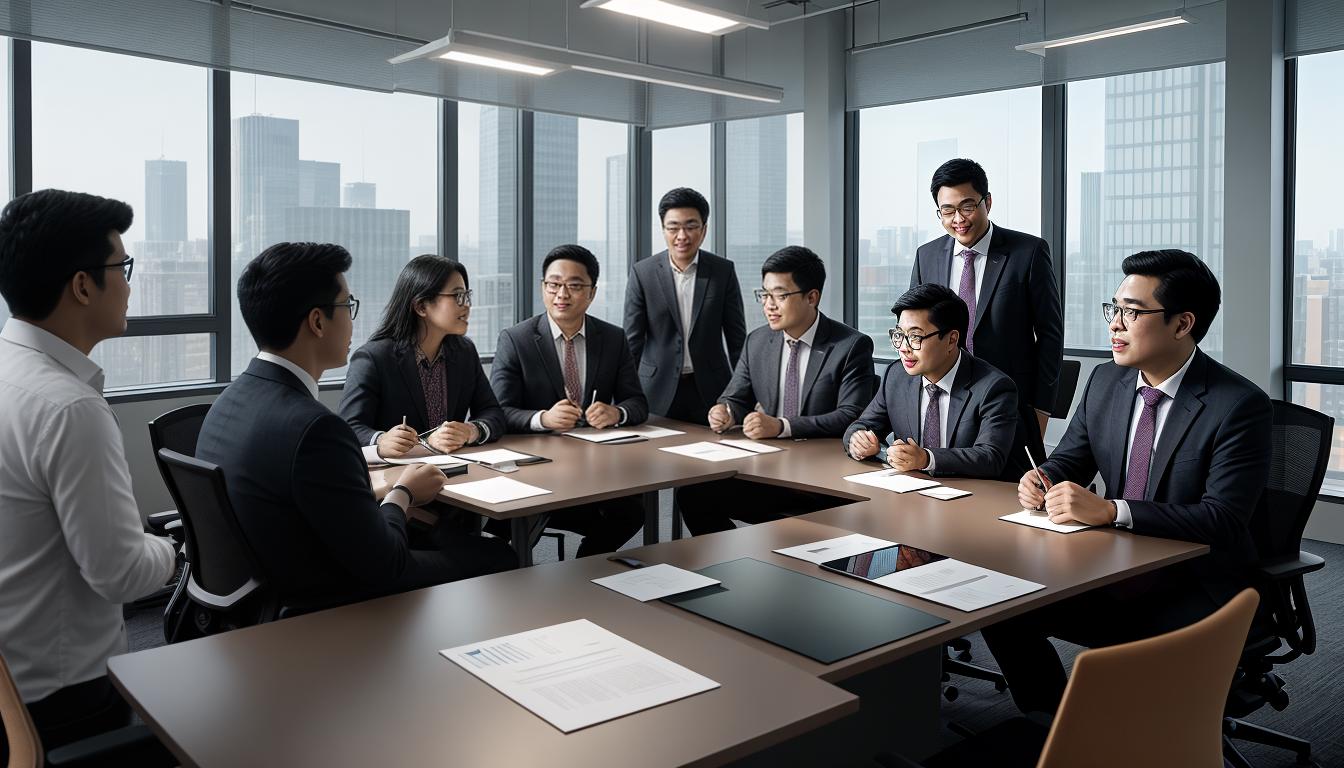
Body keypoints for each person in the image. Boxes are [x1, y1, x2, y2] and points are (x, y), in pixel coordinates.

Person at [982, 250, 1272, 717]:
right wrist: (1042, 479)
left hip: (1193, 582)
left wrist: (1111, 510)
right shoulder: (1105, 381)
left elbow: (1223, 519)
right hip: (1111, 567)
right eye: (1113, 309)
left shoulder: (1238, 405)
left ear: (1182, 324)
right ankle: (1054, 721)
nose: (1114, 324)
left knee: (1130, 667)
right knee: (999, 603)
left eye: (1131, 313)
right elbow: (1069, 460)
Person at [196, 242, 514, 609]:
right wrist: (403, 492)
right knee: (499, 558)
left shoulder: (230, 401)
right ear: (317, 321)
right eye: (347, 306)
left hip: (266, 585)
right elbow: (386, 563)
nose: (354, 318)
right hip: (324, 594)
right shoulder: (315, 428)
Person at [0, 189, 176, 754]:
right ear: (82, 285)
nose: (129, 284)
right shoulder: (68, 407)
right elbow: (121, 574)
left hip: (11, 682)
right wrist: (175, 547)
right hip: (65, 698)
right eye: (122, 267)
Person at [680, 246, 874, 534]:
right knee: (693, 493)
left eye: (780, 295)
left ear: (812, 297)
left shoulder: (850, 346)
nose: (769, 305)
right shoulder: (758, 341)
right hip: (766, 469)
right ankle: (730, 564)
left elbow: (851, 416)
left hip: (821, 477)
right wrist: (726, 411)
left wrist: (782, 426)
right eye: (765, 295)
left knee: (790, 527)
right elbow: (736, 397)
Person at [910, 158, 1063, 478]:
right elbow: (915, 328)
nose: (958, 219)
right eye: (947, 211)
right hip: (946, 403)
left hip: (1010, 406)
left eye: (967, 207)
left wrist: (1041, 409)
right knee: (940, 484)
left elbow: (1050, 335)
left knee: (1010, 494)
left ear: (987, 202)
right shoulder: (927, 255)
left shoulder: (1028, 252)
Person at [491, 244, 646, 555]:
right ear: (543, 288)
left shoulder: (613, 338)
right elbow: (498, 413)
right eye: (554, 284)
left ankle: (585, 568)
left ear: (591, 292)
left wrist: (617, 413)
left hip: (596, 466)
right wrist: (542, 419)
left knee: (632, 510)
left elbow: (637, 402)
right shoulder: (517, 339)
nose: (562, 293)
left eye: (574, 286)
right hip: (537, 468)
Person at [844, 283, 1018, 479]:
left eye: (915, 336)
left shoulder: (993, 387)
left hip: (973, 497)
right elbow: (862, 426)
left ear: (952, 340)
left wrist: (927, 459)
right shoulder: (896, 376)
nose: (903, 348)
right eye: (900, 335)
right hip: (910, 494)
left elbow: (990, 458)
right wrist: (858, 440)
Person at [339, 254, 504, 457]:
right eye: (457, 296)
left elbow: (494, 413)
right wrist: (381, 439)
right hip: (398, 476)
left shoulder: (464, 352)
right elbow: (349, 427)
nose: (466, 305)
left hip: (456, 469)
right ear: (421, 306)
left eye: (467, 296)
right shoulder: (374, 358)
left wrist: (471, 431)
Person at [624, 187, 746, 425]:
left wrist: (742, 396)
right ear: (663, 230)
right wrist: (624, 396)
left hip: (712, 391)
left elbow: (737, 339)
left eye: (691, 226)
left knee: (716, 458)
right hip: (656, 389)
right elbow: (632, 342)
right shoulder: (643, 273)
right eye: (673, 227)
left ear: (704, 230)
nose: (682, 235)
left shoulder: (723, 271)